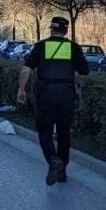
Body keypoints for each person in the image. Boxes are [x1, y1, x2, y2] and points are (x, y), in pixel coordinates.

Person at [16, 16, 90, 186]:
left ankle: (53, 160)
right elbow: (85, 70)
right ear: (66, 31)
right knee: (64, 133)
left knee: (44, 131)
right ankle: (62, 171)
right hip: (66, 94)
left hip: (45, 93)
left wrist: (21, 90)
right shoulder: (73, 48)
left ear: (51, 29)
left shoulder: (41, 46)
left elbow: (26, 69)